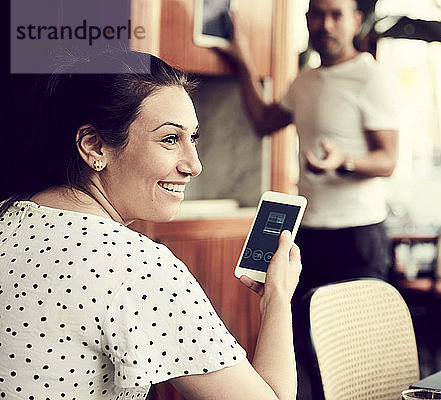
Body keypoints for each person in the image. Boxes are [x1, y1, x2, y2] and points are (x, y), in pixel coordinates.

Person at [0, 50, 301, 400]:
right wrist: (277, 296)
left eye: (194, 138)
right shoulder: (136, 266)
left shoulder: (8, 217)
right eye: (170, 139)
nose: (194, 164)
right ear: (94, 146)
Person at [218, 0, 399, 309]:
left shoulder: (371, 76)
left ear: (356, 21)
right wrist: (244, 59)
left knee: (350, 348)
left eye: (336, 15)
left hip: (357, 236)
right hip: (308, 232)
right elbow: (264, 122)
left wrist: (345, 162)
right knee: (304, 343)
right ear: (306, 19)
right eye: (317, 14)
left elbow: (388, 161)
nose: (325, 25)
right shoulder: (305, 80)